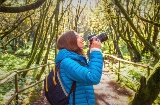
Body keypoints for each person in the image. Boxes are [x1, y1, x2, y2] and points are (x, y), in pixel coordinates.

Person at [55, 30, 103, 105]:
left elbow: (89, 70)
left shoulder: (76, 59)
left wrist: (91, 50)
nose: (82, 39)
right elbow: (93, 77)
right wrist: (95, 51)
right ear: (69, 41)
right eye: (77, 37)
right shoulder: (66, 62)